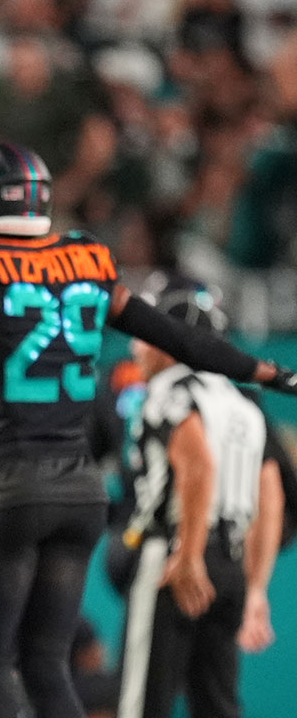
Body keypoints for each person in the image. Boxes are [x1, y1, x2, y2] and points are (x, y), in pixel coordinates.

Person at [0, 138, 297, 718]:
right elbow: (180, 338)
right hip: (81, 496)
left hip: (1, 490)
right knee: (45, 667)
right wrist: (264, 371)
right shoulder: (86, 260)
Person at [116, 287, 284, 718]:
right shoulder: (244, 404)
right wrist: (256, 587)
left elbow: (198, 467)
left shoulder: (169, 391)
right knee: (217, 705)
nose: (137, 343)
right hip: (230, 565)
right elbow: (270, 496)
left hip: (176, 558)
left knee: (142, 703)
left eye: (147, 333)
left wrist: (188, 553)